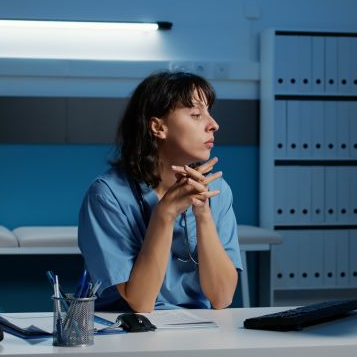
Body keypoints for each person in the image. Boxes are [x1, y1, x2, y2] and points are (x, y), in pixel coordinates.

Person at [78, 71, 242, 312]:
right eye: (196, 114)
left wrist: (203, 215)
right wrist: (164, 214)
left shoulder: (216, 190)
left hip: (199, 330)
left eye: (209, 112)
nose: (213, 125)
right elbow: (141, 302)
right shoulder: (107, 195)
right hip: (127, 330)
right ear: (158, 127)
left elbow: (222, 298)